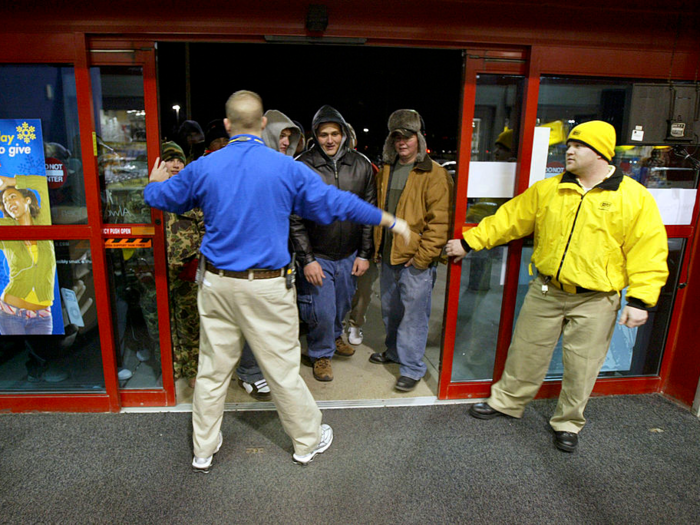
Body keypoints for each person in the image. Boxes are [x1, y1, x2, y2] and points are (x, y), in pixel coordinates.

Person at [144, 90, 408, 472]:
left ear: (228, 125)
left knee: (213, 370)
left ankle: (203, 449)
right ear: (263, 124)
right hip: (267, 287)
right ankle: (306, 441)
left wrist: (152, 185)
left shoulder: (205, 166)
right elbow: (336, 204)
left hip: (216, 284)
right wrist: (388, 219)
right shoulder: (287, 168)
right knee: (282, 371)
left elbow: (164, 198)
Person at [445, 120, 669, 452]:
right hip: (547, 290)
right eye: (569, 146)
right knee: (525, 352)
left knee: (583, 366)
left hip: (597, 299)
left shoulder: (634, 198)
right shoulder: (549, 189)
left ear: (600, 153)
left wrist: (640, 300)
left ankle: (567, 423)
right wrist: (470, 242)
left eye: (578, 146)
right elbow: (510, 219)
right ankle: (506, 402)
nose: (570, 151)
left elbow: (648, 250)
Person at [369, 109, 453, 392]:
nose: (402, 142)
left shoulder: (434, 174)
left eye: (408, 137)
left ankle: (412, 367)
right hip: (390, 256)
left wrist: (422, 260)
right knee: (391, 312)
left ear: (419, 138)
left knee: (413, 317)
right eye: (397, 137)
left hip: (414, 261)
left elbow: (439, 222)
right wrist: (378, 248)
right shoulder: (387, 171)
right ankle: (394, 353)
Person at [292, 105, 376, 382]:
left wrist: (364, 254)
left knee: (341, 307)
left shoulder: (361, 165)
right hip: (319, 255)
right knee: (322, 310)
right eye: (324, 134)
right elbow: (295, 218)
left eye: (335, 133)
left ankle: (336, 337)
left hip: (349, 254)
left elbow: (368, 214)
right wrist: (307, 259)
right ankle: (321, 353)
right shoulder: (303, 166)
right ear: (315, 136)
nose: (330, 139)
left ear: (343, 134)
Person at [159, 142, 205, 388]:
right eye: (170, 160)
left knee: (190, 323)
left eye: (179, 160)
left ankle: (192, 370)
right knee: (159, 321)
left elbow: (206, 229)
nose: (176, 165)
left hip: (186, 269)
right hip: (157, 272)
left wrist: (198, 261)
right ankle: (169, 368)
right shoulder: (151, 193)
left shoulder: (192, 194)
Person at [0, 174, 57, 335]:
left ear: (27, 200)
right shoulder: (5, 227)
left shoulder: (44, 222)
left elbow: (43, 184)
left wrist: (12, 182)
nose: (9, 203)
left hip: (43, 317)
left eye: (12, 197)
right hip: (10, 313)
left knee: (43, 358)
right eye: (5, 201)